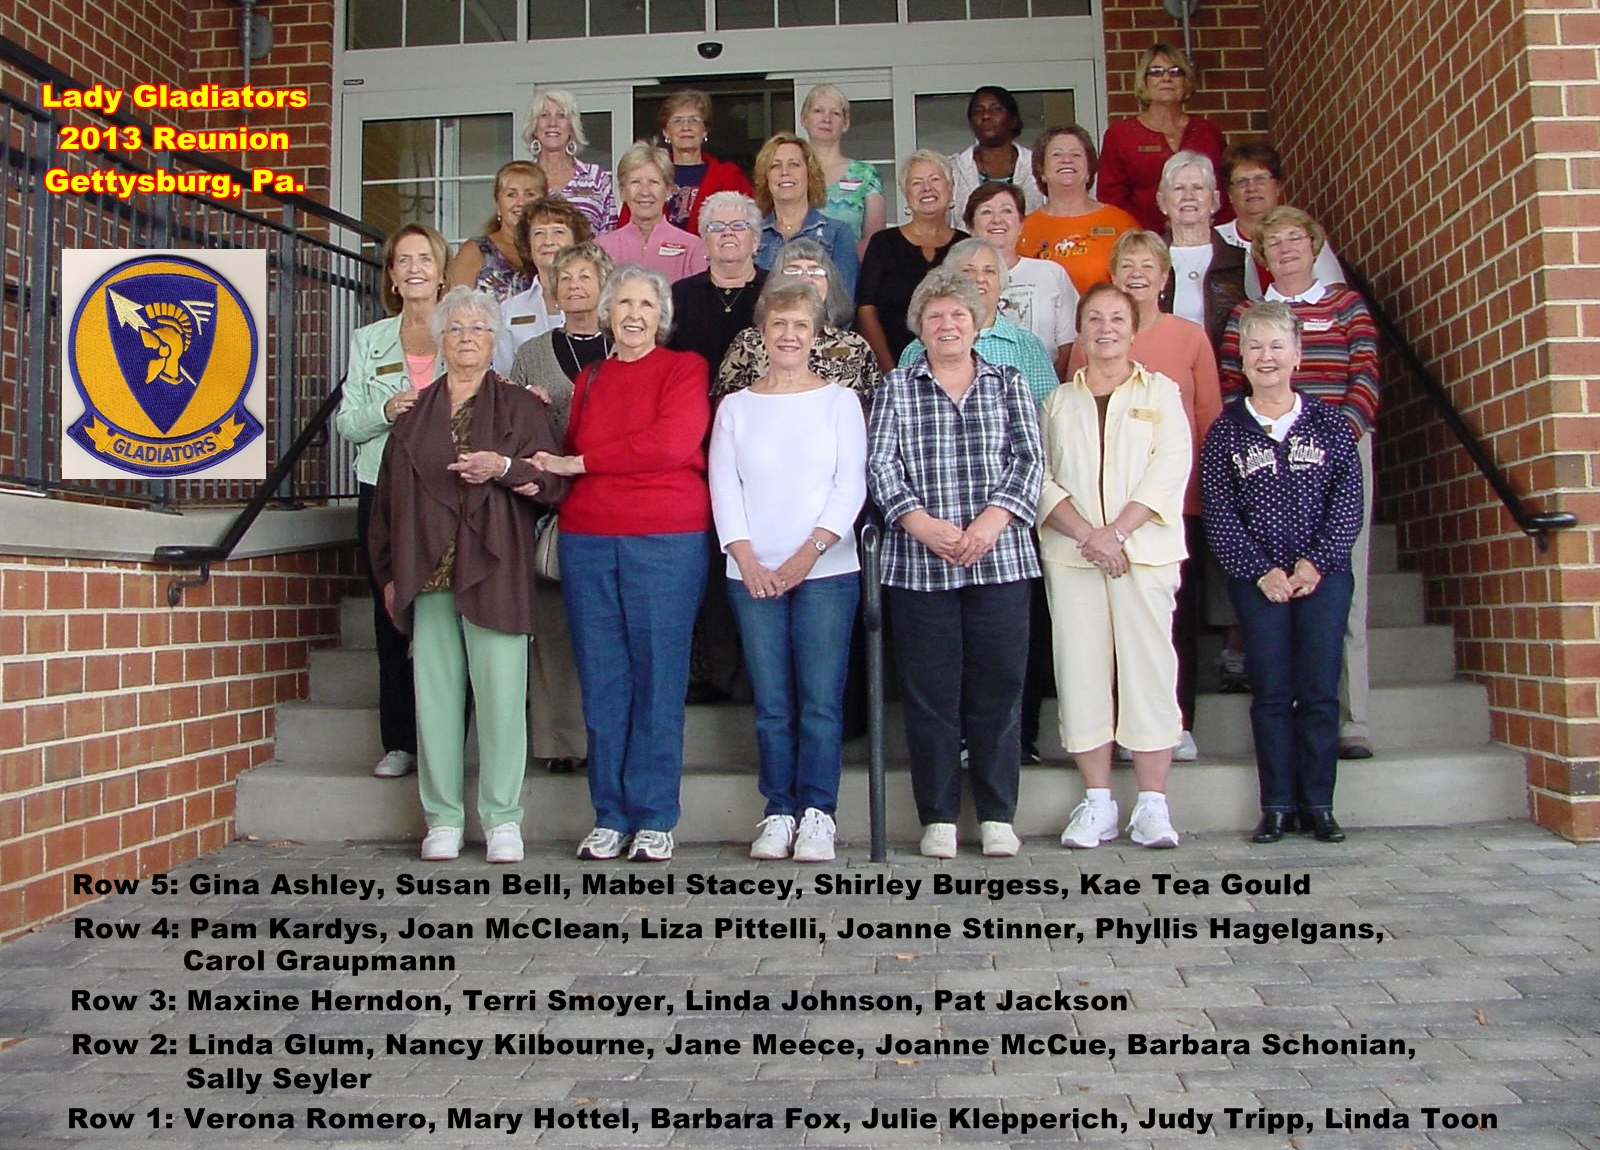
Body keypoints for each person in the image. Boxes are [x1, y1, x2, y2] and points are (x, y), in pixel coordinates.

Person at [368, 286, 568, 864]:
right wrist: (389, 574)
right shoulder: (414, 415)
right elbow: (387, 506)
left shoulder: (520, 406)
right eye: (454, 328)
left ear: (493, 339)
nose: (465, 338)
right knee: (435, 703)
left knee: (503, 700)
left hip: (495, 568)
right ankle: (443, 819)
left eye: (477, 329)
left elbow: (553, 484)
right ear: (440, 339)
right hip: (427, 572)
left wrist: (503, 469)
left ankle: (503, 819)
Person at [532, 264, 711, 864]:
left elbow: (669, 444)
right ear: (607, 313)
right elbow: (566, 453)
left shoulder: (684, 369)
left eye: (646, 305)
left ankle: (655, 816)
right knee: (602, 679)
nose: (634, 315)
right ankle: (609, 814)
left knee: (658, 678)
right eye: (624, 304)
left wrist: (583, 464)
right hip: (588, 539)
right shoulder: (589, 378)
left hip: (664, 538)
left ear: (661, 317)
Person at [867, 265, 1042, 860]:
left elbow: (1029, 460)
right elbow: (881, 466)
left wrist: (990, 522)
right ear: (919, 326)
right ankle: (938, 816)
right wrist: (921, 524)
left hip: (1000, 561)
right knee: (930, 696)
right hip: (921, 566)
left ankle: (997, 814)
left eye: (959, 315)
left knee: (999, 690)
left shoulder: (1008, 382)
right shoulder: (896, 387)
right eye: (935, 315)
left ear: (977, 323)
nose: (947, 325)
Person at [710, 279, 867, 863]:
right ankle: (778, 810)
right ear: (761, 333)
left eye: (801, 324)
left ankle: (819, 813)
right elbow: (724, 487)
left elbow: (850, 485)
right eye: (779, 324)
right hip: (753, 574)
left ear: (817, 334)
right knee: (772, 703)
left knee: (820, 701)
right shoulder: (735, 407)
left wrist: (808, 555)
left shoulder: (839, 402)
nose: (789, 334)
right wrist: (746, 559)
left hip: (826, 573)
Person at [1220, 206, 1379, 760]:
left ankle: (1351, 719)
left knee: (1342, 583)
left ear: (1314, 246)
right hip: (1263, 456)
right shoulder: (1247, 315)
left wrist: (1334, 439)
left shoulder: (1345, 305)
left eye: (1296, 238)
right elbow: (1230, 384)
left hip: (1340, 452)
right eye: (1274, 241)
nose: (1286, 248)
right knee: (1271, 588)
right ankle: (1284, 720)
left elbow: (1366, 376)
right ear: (1261, 255)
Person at [1201, 302, 1363, 843]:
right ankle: (1276, 806)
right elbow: (1221, 514)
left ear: (1297, 355)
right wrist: (1260, 570)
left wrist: (1316, 563)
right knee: (1271, 694)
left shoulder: (1330, 425)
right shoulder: (1227, 431)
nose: (1266, 356)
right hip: (1258, 584)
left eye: (1276, 346)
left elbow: (1348, 504)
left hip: (1324, 578)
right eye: (1255, 346)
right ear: (1242, 359)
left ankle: (1318, 805)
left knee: (1318, 692)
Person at [1042, 283, 1192, 850]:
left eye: (1117, 319)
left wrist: (1118, 532)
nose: (1106, 329)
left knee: (1149, 669)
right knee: (1080, 671)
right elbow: (1040, 477)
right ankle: (1098, 801)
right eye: (1095, 319)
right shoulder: (1058, 403)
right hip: (1074, 557)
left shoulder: (1163, 393)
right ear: (1080, 332)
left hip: (1142, 555)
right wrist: (1089, 535)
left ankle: (1153, 804)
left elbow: (1169, 466)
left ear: (1133, 331)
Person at [1067, 230, 1222, 760]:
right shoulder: (1091, 343)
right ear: (1113, 275)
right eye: (1127, 265)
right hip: (1095, 515)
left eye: (1147, 265)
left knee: (1169, 623)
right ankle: (1114, 727)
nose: (1137, 274)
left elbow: (1207, 419)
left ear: (1164, 277)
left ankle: (1176, 722)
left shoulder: (1189, 337)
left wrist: (1201, 493)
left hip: (1172, 504)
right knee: (1105, 630)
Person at [334, 222, 448, 781]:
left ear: (442, 271)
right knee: (391, 613)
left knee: (445, 613)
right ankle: (400, 741)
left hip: (445, 490)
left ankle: (447, 741)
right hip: (383, 488)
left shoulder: (464, 328)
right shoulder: (368, 339)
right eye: (404, 260)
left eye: (425, 258)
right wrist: (385, 410)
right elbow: (347, 424)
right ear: (393, 278)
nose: (415, 268)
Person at [509, 241, 615, 776]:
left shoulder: (627, 344)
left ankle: (612, 737)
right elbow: (512, 423)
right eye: (565, 277)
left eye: (585, 276)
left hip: (614, 499)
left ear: (604, 285)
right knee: (552, 627)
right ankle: (560, 740)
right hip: (551, 503)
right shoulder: (532, 352)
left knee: (608, 627)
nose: (574, 286)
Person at [715, 238, 880, 398]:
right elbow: (728, 404)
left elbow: (872, 407)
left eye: (815, 271)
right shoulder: (748, 342)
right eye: (793, 271)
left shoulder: (854, 345)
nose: (806, 279)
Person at [898, 238, 1057, 403]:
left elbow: (1048, 411)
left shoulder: (1028, 346)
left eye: (989, 271)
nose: (980, 278)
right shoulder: (917, 349)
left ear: (1002, 282)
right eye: (968, 271)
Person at [1097, 44, 1228, 233]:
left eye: (1175, 72)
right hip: (1143, 241)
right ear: (1144, 81)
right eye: (1156, 72)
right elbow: (1112, 200)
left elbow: (1224, 192)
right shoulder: (1120, 135)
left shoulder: (1208, 132)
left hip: (1205, 236)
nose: (1166, 78)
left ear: (1186, 81)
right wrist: (1139, 239)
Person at [856, 150, 968, 370]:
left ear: (950, 188)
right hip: (893, 366)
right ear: (905, 193)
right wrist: (891, 372)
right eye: (916, 182)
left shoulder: (966, 245)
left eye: (935, 179)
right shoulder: (883, 244)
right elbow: (866, 310)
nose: (927, 188)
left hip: (955, 368)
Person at [964, 181, 1077, 379]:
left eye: (1006, 211)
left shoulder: (1051, 273)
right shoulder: (957, 279)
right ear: (970, 227)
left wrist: (1049, 386)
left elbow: (1069, 344)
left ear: (1021, 224)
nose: (997, 220)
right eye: (986, 212)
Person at [1018, 125, 1139, 295]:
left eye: (1076, 154)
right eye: (1056, 154)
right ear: (1041, 170)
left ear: (1089, 170)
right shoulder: (1022, 230)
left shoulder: (1121, 223)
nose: (1067, 160)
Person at [1216, 142, 1344, 299]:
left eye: (1260, 179)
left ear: (1277, 187)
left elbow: (1335, 293)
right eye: (1241, 181)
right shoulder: (1216, 240)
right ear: (1229, 194)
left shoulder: (1302, 235)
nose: (1252, 188)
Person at [624, 89, 753, 235]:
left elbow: (748, 227)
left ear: (705, 131)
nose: (686, 127)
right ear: (666, 132)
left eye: (694, 120)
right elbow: (626, 229)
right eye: (677, 120)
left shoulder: (729, 176)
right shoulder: (647, 175)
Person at [1155, 150, 1246, 349]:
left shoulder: (1239, 261)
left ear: (1214, 200)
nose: (1188, 196)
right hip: (1161, 366)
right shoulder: (1150, 261)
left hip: (1224, 365)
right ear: (1162, 201)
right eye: (1178, 188)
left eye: (1198, 188)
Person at [753, 132, 860, 299]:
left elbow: (844, 301)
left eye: (794, 164)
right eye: (775, 165)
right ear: (765, 177)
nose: (784, 172)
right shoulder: (752, 234)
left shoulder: (838, 233)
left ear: (809, 174)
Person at [669, 192, 766, 376]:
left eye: (738, 226)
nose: (727, 232)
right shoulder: (680, 295)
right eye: (716, 227)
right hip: (693, 392)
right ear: (705, 242)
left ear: (755, 240)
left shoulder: (777, 291)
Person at [495, 196, 591, 374]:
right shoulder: (509, 310)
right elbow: (504, 375)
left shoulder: (596, 303)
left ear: (576, 241)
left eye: (558, 232)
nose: (548, 241)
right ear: (528, 244)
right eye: (539, 233)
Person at [597, 143, 709, 283]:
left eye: (654, 182)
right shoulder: (601, 248)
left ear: (668, 190)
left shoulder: (693, 248)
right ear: (622, 191)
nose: (645, 192)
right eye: (635, 182)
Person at [799, 83, 885, 253]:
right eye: (818, 111)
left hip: (850, 267)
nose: (826, 118)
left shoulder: (866, 175)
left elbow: (874, 241)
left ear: (846, 123)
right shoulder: (790, 172)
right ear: (803, 119)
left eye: (835, 113)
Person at [521, 87, 618, 233]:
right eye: (544, 115)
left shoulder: (595, 176)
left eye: (561, 115)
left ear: (572, 127)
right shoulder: (523, 178)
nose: (552, 123)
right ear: (534, 127)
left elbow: (611, 233)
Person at [947, 86, 1044, 229]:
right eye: (978, 111)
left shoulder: (1038, 166)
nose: (986, 116)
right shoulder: (953, 170)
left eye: (996, 109)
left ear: (1013, 120)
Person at [449, 160, 546, 300]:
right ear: (498, 204)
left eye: (530, 194)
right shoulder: (476, 251)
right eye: (511, 194)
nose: (521, 202)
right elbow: (454, 305)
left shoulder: (551, 250)